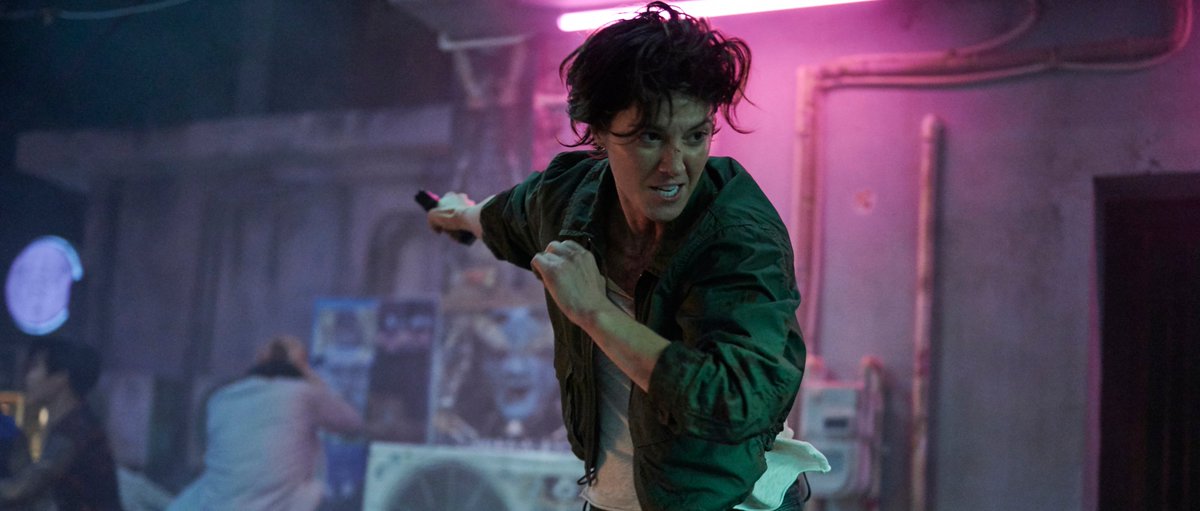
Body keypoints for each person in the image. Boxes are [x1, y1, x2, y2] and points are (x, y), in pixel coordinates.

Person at [425, 3, 827, 510]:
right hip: (611, 499)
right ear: (598, 132)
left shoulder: (738, 238)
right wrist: (458, 215)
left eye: (696, 136)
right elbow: (505, 215)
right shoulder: (567, 198)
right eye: (649, 137)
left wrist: (595, 311)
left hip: (727, 502)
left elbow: (734, 400)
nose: (674, 165)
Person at [168, 335, 363, 511]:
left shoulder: (221, 398)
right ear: (302, 367)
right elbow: (352, 423)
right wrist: (312, 378)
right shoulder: (303, 394)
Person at [0, 337, 123, 511]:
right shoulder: (73, 424)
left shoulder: (75, 431)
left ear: (60, 378)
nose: (28, 377)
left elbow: (19, 489)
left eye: (35, 367)